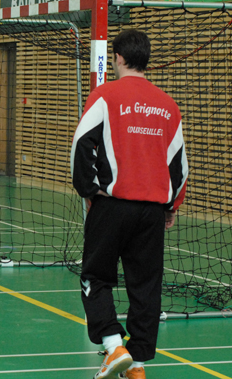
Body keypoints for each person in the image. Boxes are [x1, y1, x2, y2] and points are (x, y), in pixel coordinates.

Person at [70, 29, 188, 379]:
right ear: (145, 59)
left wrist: (89, 190)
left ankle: (113, 346)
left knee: (95, 276)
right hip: (151, 212)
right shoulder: (168, 106)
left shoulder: (105, 95)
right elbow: (179, 166)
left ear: (118, 58)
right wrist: (171, 206)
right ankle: (136, 365)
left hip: (112, 206)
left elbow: (81, 143)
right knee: (146, 286)